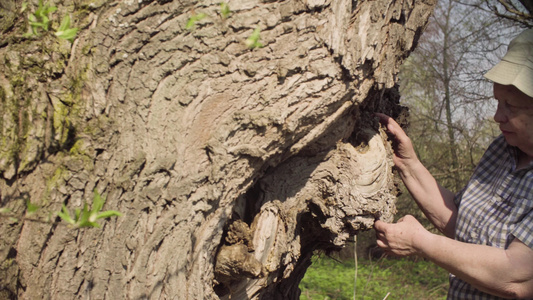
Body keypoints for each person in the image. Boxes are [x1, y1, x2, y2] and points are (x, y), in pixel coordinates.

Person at [373, 28, 533, 299]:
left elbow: (517, 277)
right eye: (497, 102)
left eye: (511, 106)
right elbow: (463, 226)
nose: (497, 116)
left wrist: (420, 242)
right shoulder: (503, 148)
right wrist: (408, 164)